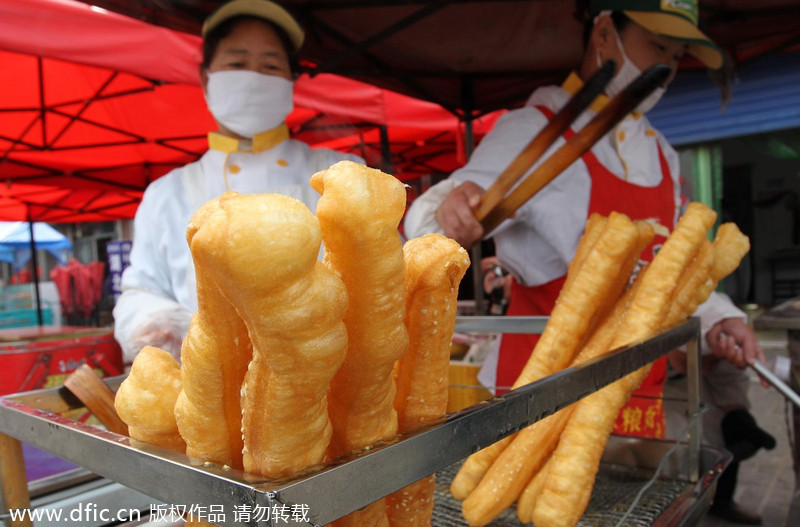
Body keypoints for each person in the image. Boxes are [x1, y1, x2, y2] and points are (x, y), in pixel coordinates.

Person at [404, 1, 770, 518]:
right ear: (604, 31)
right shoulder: (536, 126)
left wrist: (721, 315)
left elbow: (670, 269)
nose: (665, 65)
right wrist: (451, 210)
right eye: (655, 45)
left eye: (677, 52)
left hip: (636, 389)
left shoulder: (661, 150)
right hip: (539, 391)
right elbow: (431, 220)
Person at [113, 0, 362, 362]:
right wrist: (155, 321)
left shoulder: (339, 174)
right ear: (206, 78)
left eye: (271, 65)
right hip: (205, 391)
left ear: (290, 82)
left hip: (328, 384)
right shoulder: (166, 193)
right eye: (237, 62)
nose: (254, 76)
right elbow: (140, 289)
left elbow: (383, 275)